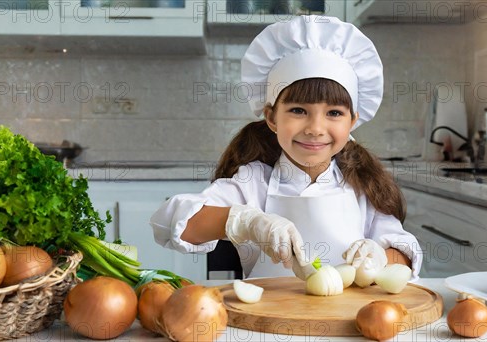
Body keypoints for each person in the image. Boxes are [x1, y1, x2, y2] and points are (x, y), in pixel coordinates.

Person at [150, 15, 422, 280]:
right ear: (271, 118)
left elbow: (406, 254)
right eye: (298, 110)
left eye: (334, 113)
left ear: (352, 121)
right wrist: (246, 221)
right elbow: (172, 223)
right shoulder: (253, 182)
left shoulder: (362, 185)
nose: (315, 128)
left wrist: (381, 257)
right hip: (266, 322)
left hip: (349, 321)